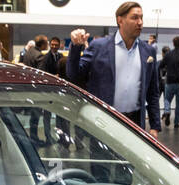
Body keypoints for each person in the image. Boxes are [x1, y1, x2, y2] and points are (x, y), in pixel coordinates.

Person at [67, 4, 162, 134]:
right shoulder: (99, 47)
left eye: (141, 18)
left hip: (135, 123)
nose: (140, 22)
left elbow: (152, 92)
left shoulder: (148, 51)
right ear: (120, 20)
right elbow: (74, 74)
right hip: (103, 120)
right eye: (134, 18)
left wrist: (155, 126)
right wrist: (76, 47)